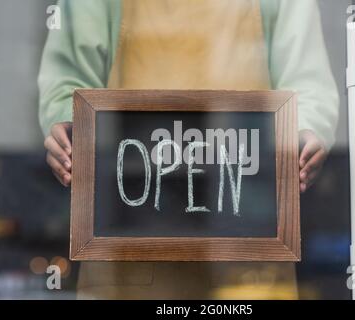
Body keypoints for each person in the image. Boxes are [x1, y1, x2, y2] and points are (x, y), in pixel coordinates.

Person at [39, 0, 339, 299]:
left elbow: (306, 79)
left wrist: (303, 131)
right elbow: (69, 76)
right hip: (128, 240)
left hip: (246, 237)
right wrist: (70, 126)